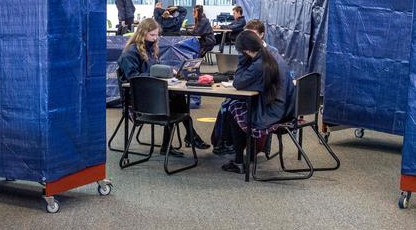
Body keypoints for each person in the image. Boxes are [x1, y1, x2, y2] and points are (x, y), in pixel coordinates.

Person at [117, 18, 210, 157]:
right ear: (142, 34)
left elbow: (153, 71)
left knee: (177, 99)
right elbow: (134, 78)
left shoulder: (150, 50)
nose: (155, 39)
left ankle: (184, 138)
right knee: (174, 104)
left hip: (151, 93)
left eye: (156, 35)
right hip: (138, 101)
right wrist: (158, 73)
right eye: (152, 35)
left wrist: (165, 72)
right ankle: (188, 136)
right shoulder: (130, 53)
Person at [221, 31, 295, 174]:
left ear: (246, 51)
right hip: (287, 109)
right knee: (240, 106)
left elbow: (238, 82)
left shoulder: (259, 64)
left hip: (272, 113)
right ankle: (250, 152)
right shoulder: (273, 55)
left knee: (233, 108)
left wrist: (242, 61)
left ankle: (239, 161)